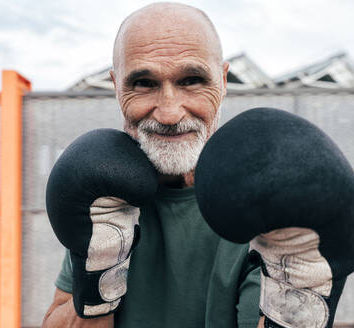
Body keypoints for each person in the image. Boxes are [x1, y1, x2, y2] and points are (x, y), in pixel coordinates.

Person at [42, 3, 264, 327]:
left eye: (192, 79)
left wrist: (295, 305)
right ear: (117, 86)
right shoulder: (103, 194)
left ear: (224, 81)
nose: (170, 113)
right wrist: (100, 276)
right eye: (144, 83)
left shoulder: (260, 201)